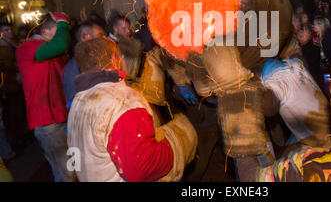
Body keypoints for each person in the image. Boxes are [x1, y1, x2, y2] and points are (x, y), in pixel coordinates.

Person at [68, 36, 197, 182]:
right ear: (114, 58)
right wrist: (177, 141)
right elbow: (143, 168)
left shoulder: (78, 102)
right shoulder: (122, 101)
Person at [15, 12, 75, 182]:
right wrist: (63, 21)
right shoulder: (27, 48)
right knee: (66, 174)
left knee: (73, 168)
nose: (64, 35)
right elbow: (61, 44)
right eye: (59, 31)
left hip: (62, 116)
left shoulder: (54, 53)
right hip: (48, 122)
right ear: (45, 31)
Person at [62, 21, 106, 109]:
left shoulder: (94, 61)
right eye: (100, 35)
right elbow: (75, 102)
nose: (104, 38)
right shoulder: (73, 67)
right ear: (85, 37)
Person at [0, 23, 28, 158]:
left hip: (20, 82)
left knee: (19, 110)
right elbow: (7, 67)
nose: (10, 31)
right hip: (11, 85)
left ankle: (21, 136)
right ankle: (17, 139)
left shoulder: (15, 43)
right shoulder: (3, 48)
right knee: (13, 112)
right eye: (6, 30)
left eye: (11, 29)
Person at [296, 25, 326, 92]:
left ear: (310, 35)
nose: (301, 32)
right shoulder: (296, 48)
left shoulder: (314, 48)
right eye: (300, 30)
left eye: (305, 31)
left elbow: (308, 66)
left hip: (315, 85)